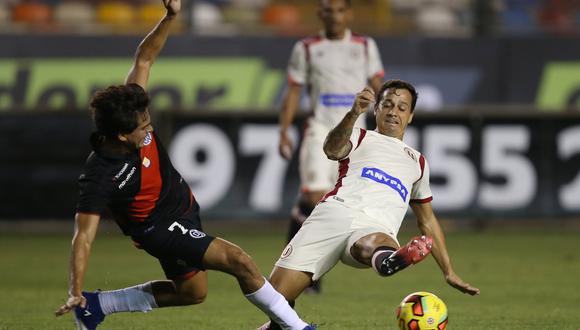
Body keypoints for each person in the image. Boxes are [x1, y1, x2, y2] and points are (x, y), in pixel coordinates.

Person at [53, 1, 315, 330]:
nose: (149, 130)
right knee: (240, 261)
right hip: (158, 229)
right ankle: (297, 328)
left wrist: (170, 17)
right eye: (143, 128)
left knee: (192, 292)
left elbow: (144, 58)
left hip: (183, 209)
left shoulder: (130, 108)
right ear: (120, 135)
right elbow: (83, 237)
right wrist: (73, 289)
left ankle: (98, 305)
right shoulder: (100, 175)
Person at [261, 80, 480, 329]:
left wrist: (448, 271)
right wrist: (354, 113)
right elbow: (332, 150)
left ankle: (389, 260)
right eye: (387, 104)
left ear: (410, 116)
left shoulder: (418, 162)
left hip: (374, 227)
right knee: (275, 301)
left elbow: (427, 220)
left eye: (401, 107)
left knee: (376, 242)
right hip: (333, 214)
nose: (393, 112)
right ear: (376, 109)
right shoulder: (358, 134)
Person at [278, 0, 384, 293]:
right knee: (317, 197)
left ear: (349, 13)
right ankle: (311, 268)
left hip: (356, 134)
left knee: (332, 202)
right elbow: (294, 91)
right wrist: (284, 130)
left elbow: (380, 85)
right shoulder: (307, 48)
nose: (334, 16)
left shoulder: (364, 46)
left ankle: (304, 265)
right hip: (321, 130)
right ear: (320, 14)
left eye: (340, 10)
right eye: (328, 10)